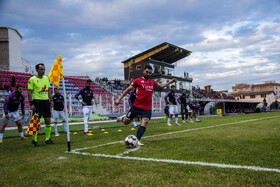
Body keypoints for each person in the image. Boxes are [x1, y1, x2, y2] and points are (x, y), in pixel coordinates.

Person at [115, 64, 176, 146]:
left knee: (145, 121)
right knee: (126, 122)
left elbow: (161, 85)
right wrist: (119, 99)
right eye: (147, 72)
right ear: (143, 71)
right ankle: (123, 118)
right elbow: (127, 90)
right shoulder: (137, 81)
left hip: (147, 108)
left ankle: (137, 139)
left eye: (150, 73)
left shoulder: (152, 82)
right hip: (136, 106)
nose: (148, 74)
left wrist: (170, 82)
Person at [28, 63, 53, 147]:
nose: (43, 71)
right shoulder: (32, 79)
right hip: (37, 102)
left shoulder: (46, 78)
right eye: (41, 69)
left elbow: (49, 90)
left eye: (44, 69)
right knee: (36, 121)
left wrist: (51, 100)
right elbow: (29, 92)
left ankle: (47, 139)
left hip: (46, 102)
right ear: (37, 70)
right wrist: (31, 103)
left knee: (48, 121)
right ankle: (34, 140)